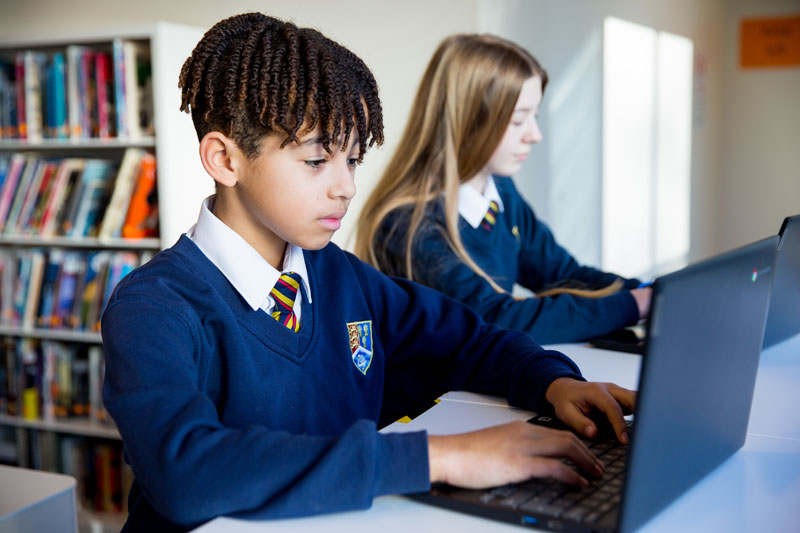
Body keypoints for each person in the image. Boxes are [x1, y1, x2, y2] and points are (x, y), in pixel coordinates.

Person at [101, 14, 636, 532]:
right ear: (224, 159)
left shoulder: (339, 276)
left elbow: (468, 338)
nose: (346, 187)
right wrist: (440, 457)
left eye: (352, 160)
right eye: (317, 161)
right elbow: (186, 470)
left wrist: (552, 382)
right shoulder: (153, 307)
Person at [354, 34, 652, 344]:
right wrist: (634, 305)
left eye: (534, 117)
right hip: (441, 393)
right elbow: (497, 319)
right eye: (519, 120)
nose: (534, 135)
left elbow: (561, 272)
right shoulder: (407, 225)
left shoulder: (501, 193)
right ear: (469, 120)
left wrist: (647, 292)